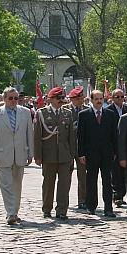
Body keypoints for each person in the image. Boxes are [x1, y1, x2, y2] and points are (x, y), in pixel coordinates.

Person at [0, 87, 33, 225]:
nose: (13, 101)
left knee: (17, 185)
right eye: (10, 98)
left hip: (20, 154)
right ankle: (11, 212)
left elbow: (29, 133)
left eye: (16, 98)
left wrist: (31, 153)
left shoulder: (26, 112)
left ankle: (14, 211)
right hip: (2, 154)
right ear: (4, 99)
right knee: (6, 185)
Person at [34, 87, 76, 220]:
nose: (61, 100)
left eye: (62, 98)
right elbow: (37, 136)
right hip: (48, 154)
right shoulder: (42, 113)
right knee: (48, 183)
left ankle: (62, 210)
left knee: (64, 184)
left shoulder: (68, 113)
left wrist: (72, 155)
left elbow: (72, 137)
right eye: (58, 98)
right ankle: (47, 209)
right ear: (50, 99)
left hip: (64, 154)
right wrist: (38, 156)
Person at [77, 90, 119, 217]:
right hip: (91, 154)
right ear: (91, 100)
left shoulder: (110, 114)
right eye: (96, 99)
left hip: (107, 154)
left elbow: (114, 135)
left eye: (101, 98)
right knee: (91, 180)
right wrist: (81, 154)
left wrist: (116, 152)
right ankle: (91, 206)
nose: (99, 101)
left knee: (107, 181)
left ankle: (108, 208)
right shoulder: (84, 115)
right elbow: (81, 136)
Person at [105, 89, 127, 208]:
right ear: (112, 97)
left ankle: (122, 193)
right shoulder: (108, 111)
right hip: (113, 146)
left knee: (126, 172)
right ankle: (117, 196)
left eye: (122, 96)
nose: (120, 99)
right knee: (115, 172)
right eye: (117, 97)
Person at [64, 87, 88, 208]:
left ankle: (83, 200)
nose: (81, 100)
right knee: (66, 176)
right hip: (68, 147)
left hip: (82, 148)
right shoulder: (64, 110)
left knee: (83, 176)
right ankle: (64, 200)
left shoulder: (87, 110)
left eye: (82, 98)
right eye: (78, 98)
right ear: (72, 99)